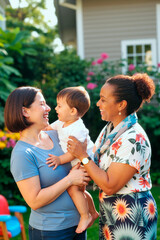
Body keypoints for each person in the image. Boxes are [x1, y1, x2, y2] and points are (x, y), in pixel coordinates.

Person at [67, 74, 158, 239]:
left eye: (103, 99)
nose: (97, 104)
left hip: (132, 213)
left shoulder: (133, 139)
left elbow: (110, 185)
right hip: (111, 210)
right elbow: (96, 164)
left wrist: (83, 156)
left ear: (121, 105)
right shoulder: (110, 130)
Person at [4, 86, 91, 240]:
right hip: (51, 231)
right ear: (25, 111)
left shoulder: (58, 134)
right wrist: (70, 179)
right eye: (42, 104)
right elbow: (35, 201)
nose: (49, 108)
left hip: (78, 225)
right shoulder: (22, 154)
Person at [45, 86, 98, 233]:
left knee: (73, 189)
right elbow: (48, 128)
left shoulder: (77, 129)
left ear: (73, 111)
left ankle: (84, 215)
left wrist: (59, 160)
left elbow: (74, 153)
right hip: (78, 162)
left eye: (60, 106)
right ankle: (93, 213)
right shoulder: (61, 122)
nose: (55, 108)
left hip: (85, 162)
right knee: (80, 190)